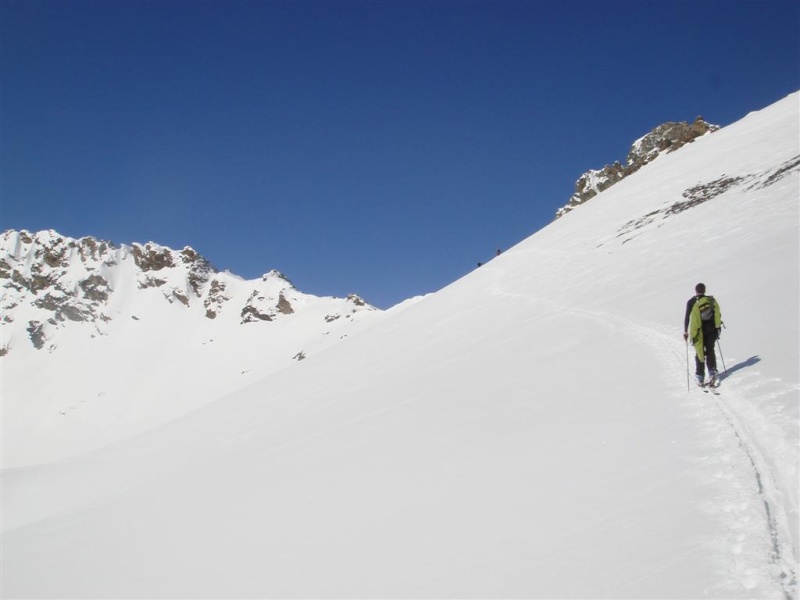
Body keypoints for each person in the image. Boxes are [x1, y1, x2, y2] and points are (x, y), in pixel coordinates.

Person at [683, 283, 723, 387]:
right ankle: (712, 372)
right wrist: (717, 327)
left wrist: (686, 331)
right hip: (712, 330)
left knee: (699, 352)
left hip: (698, 331)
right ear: (704, 290)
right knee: (710, 350)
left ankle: (700, 376)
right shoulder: (710, 300)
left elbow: (687, 317)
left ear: (696, 290)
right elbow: (717, 314)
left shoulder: (691, 302)